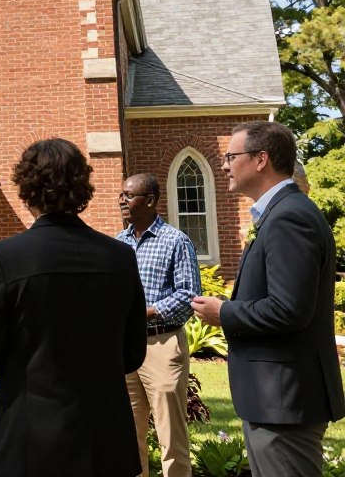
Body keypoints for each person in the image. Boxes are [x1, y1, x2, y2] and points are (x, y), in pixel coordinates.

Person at [0, 138, 146, 477]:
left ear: (26, 190)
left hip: (29, 441)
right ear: (81, 187)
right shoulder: (119, 257)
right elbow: (133, 354)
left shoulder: (6, 258)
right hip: (103, 440)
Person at [193, 121, 345, 477]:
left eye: (231, 156)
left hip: (284, 402)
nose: (225, 165)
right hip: (275, 400)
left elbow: (289, 310)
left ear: (261, 159)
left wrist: (224, 312)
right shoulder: (282, 214)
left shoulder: (289, 218)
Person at [116, 173, 201, 477]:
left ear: (150, 200)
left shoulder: (176, 241)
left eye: (129, 195)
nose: (121, 200)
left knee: (171, 435)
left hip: (162, 344)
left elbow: (189, 294)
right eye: (121, 195)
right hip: (126, 348)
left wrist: (148, 312)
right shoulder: (118, 242)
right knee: (128, 433)